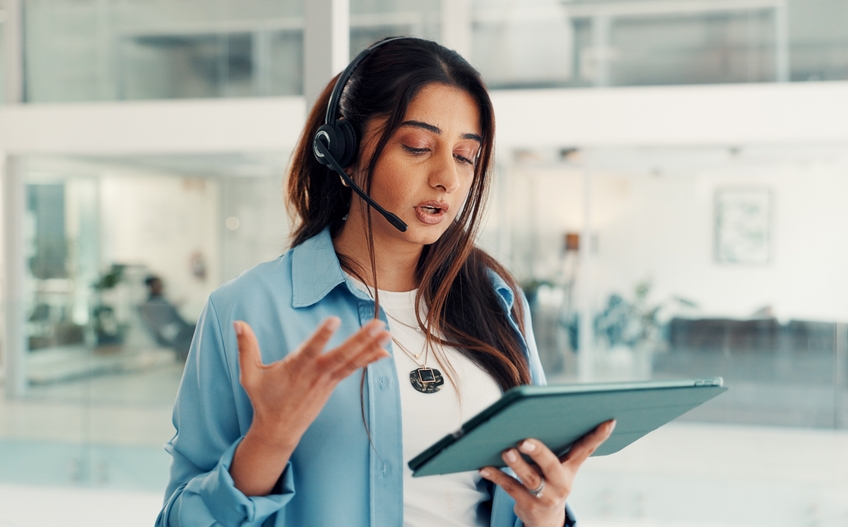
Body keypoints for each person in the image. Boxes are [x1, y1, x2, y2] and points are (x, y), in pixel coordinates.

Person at [156, 37, 613, 527]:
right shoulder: (246, 309)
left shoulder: (498, 299)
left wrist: (547, 513)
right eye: (418, 147)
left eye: (465, 156)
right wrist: (268, 440)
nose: (447, 178)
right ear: (344, 152)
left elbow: (529, 494)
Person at [139, 275, 196, 362]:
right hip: (170, 332)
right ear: (150, 287)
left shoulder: (161, 301)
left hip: (177, 329)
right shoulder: (149, 305)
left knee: (197, 328)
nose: (161, 287)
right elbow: (161, 322)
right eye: (158, 285)